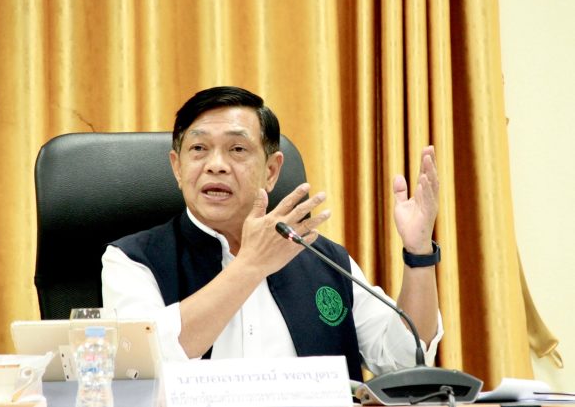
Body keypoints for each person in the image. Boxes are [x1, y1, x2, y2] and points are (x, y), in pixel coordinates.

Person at [102, 86, 443, 381]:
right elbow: (142, 367)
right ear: (177, 167)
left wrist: (419, 254)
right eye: (198, 149)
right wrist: (250, 265)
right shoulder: (131, 261)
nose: (216, 165)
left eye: (237, 149)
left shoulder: (323, 260)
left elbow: (405, 361)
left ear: (271, 170)